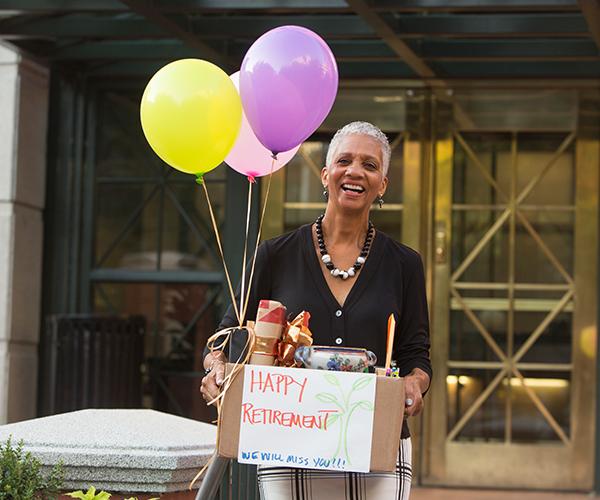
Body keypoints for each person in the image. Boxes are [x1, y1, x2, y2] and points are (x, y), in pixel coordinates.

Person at [201, 121, 432, 500]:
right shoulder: (275, 255)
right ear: (326, 174)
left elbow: (415, 354)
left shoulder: (405, 264)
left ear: (383, 184)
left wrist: (414, 383)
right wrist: (216, 368)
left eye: (370, 165)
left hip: (375, 441)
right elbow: (226, 336)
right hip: (290, 440)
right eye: (345, 160)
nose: (355, 171)